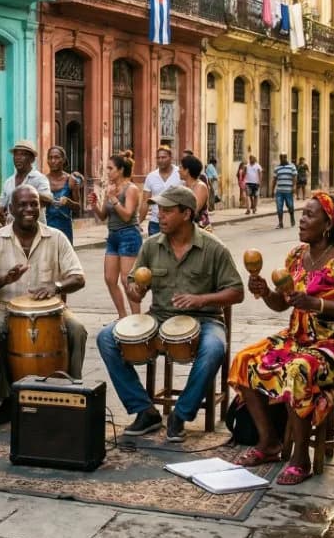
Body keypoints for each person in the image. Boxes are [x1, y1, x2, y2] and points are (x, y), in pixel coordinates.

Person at [229, 192, 334, 485]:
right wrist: (265, 291)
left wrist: (317, 304)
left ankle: (301, 460)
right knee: (245, 359)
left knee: (299, 370)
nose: (302, 220)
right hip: (299, 336)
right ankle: (269, 442)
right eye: (303, 214)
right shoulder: (296, 256)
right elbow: (283, 304)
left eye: (309, 215)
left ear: (328, 223)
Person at [96, 185, 244, 442]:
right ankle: (145, 410)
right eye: (158, 210)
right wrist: (136, 290)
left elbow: (237, 292)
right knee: (106, 337)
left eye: (166, 211)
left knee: (214, 348)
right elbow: (134, 292)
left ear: (186, 214)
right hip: (159, 317)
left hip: (205, 319)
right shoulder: (151, 246)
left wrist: (201, 299)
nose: (159, 216)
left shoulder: (213, 248)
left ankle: (181, 414)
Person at [0, 185, 88, 422]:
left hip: (52, 310)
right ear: (11, 209)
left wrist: (55, 287)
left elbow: (78, 277)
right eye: (23, 204)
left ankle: (72, 391)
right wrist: (5, 278)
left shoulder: (56, 237)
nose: (29, 209)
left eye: (34, 204)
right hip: (7, 308)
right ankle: (6, 399)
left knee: (77, 330)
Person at [89, 152, 141, 318]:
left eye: (110, 168)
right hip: (113, 237)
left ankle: (136, 319)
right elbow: (103, 216)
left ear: (120, 170)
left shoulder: (131, 189)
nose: (108, 172)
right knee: (110, 279)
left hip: (129, 235)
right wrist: (94, 204)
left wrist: (113, 199)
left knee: (127, 280)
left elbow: (127, 215)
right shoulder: (110, 189)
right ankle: (122, 316)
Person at [0, 140, 53, 223]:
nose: (18, 157)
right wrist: (1, 213)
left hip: (35, 229)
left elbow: (48, 200)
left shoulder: (40, 178)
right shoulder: (8, 182)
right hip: (12, 230)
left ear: (32, 159)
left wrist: (29, 193)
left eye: (23, 154)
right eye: (16, 154)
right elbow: (2, 206)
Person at [140, 146, 182, 237]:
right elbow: (145, 201)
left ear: (171, 158)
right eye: (158, 158)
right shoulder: (151, 177)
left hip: (176, 222)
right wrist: (139, 221)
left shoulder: (180, 173)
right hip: (156, 222)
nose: (160, 160)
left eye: (163, 157)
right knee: (156, 250)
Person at [44, 145, 82, 244]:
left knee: (64, 258)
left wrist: (68, 202)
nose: (53, 161)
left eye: (56, 157)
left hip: (64, 229)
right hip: (45, 228)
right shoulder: (43, 181)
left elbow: (78, 208)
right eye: (50, 158)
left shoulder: (71, 180)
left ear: (63, 159)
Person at [180, 155, 212, 228]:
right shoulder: (183, 185)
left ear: (187, 170)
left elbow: (194, 209)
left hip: (199, 228)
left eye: (181, 167)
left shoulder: (200, 186)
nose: (178, 170)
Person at [273, 153, 298, 229]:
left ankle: (292, 217)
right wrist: (272, 189)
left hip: (288, 190)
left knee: (290, 206)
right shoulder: (277, 168)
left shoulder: (292, 166)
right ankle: (280, 223)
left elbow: (294, 177)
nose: (283, 159)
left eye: (284, 157)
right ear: (280, 158)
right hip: (279, 191)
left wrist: (294, 187)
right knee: (279, 207)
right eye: (281, 158)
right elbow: (274, 179)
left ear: (286, 157)